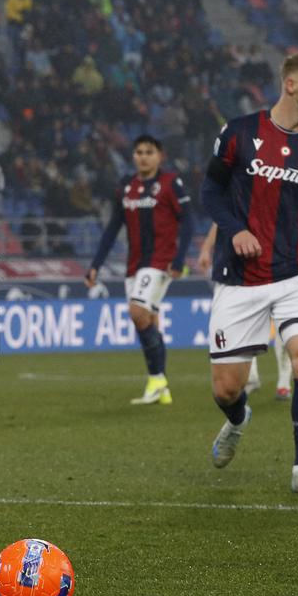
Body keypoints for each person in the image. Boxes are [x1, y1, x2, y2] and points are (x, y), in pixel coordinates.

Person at [202, 52, 298, 495]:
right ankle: (237, 420)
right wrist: (233, 231)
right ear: (290, 85)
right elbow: (210, 191)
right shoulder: (238, 133)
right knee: (227, 389)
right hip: (240, 278)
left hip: (295, 273)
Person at [85, 135, 194, 405]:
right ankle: (161, 386)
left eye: (149, 152)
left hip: (160, 261)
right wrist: (95, 264)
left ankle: (156, 378)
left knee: (137, 312)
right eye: (139, 152)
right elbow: (113, 228)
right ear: (133, 156)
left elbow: (188, 221)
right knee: (149, 321)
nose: (143, 156)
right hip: (134, 264)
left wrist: (179, 259)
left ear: (160, 156)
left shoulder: (171, 183)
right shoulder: (126, 187)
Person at [198, 223, 293, 399]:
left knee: (284, 325)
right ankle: (252, 378)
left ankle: (284, 382)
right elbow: (221, 216)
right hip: (248, 266)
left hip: (282, 265)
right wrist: (206, 248)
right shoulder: (238, 196)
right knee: (247, 325)